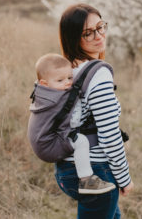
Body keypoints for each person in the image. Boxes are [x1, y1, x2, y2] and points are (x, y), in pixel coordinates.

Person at [55, 3, 134, 219]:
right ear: (74, 38)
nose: (98, 36)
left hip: (67, 170)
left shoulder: (66, 71)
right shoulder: (98, 76)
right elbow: (109, 135)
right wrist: (124, 178)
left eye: (100, 27)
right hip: (94, 173)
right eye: (88, 33)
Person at [33, 53, 116, 194]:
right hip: (48, 145)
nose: (67, 83)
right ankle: (86, 180)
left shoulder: (42, 93)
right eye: (60, 80)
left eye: (70, 78)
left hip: (42, 142)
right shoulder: (55, 100)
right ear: (44, 83)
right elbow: (74, 121)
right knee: (81, 141)